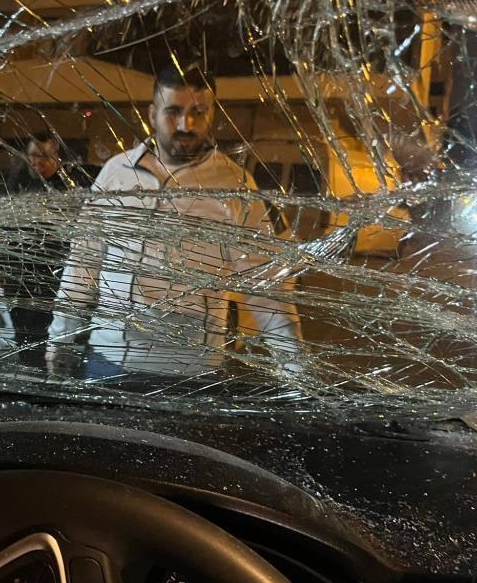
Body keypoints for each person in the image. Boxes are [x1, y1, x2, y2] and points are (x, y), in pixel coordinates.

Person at [46, 66, 303, 382]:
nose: (186, 124)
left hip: (193, 374)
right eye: (174, 112)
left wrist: (296, 371)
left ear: (211, 115)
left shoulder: (234, 186)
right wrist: (60, 342)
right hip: (108, 364)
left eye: (198, 112)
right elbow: (83, 265)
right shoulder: (117, 173)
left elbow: (266, 288)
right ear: (152, 114)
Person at [0, 134, 70, 367]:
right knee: (21, 326)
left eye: (44, 156)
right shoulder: (18, 183)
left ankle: (41, 372)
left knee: (43, 326)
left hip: (50, 273)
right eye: (33, 156)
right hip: (17, 272)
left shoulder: (66, 187)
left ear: (57, 158)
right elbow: (2, 221)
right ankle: (29, 370)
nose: (37, 162)